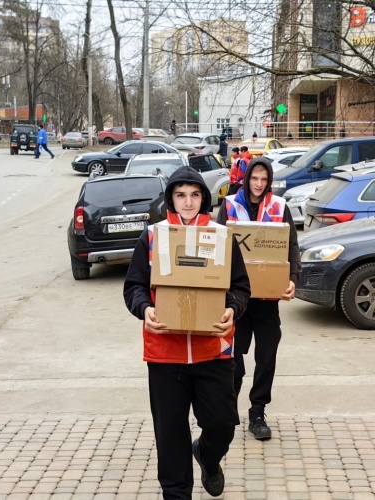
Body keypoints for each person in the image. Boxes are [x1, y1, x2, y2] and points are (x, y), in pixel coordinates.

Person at [123, 166, 251, 499]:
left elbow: (240, 287)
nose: (188, 202)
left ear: (203, 198)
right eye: (181, 195)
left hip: (214, 350)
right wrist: (144, 309)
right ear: (171, 198)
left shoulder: (222, 236)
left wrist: (232, 309)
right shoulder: (152, 236)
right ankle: (176, 494)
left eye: (195, 195)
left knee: (223, 424)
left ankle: (208, 456)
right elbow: (134, 286)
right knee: (170, 435)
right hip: (165, 354)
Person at [217, 157, 301, 441]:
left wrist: (292, 280)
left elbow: (292, 246)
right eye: (255, 179)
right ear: (247, 178)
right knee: (232, 359)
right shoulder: (229, 206)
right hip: (236, 301)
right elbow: (216, 246)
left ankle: (257, 411)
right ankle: (228, 408)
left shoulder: (278, 207)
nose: (259, 185)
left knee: (266, 357)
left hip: (267, 300)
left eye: (264, 180)